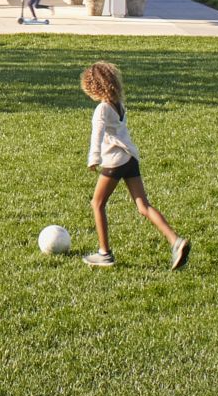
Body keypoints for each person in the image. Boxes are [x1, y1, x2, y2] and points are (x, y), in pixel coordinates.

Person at [80, 60, 188, 269]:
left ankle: (104, 253)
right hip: (130, 158)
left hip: (115, 161)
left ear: (93, 86)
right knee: (144, 206)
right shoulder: (118, 105)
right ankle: (175, 241)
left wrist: (93, 158)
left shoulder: (102, 109)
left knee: (97, 203)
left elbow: (97, 134)